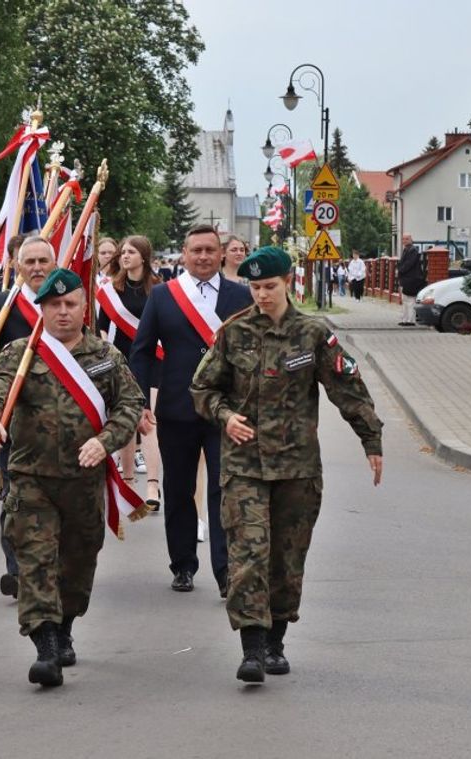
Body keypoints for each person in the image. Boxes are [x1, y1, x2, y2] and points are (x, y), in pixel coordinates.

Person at [190, 245, 384, 683]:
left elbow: (347, 388)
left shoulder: (313, 334)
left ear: (288, 283)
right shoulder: (233, 334)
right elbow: (202, 389)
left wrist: (371, 439)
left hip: (297, 469)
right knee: (248, 554)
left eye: (269, 287)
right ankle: (252, 649)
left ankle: (276, 641)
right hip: (244, 467)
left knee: (285, 559)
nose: (261, 295)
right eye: (254, 287)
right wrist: (226, 416)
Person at [0, 268, 144, 688]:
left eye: (70, 303)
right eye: (54, 305)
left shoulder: (106, 356)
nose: (63, 312)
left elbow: (129, 406)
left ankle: (65, 622)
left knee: (77, 560)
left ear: (84, 306)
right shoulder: (22, 352)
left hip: (84, 482)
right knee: (35, 562)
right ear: (43, 309)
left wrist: (106, 441)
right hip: (31, 477)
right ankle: (46, 646)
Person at [130, 223, 254, 596]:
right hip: (176, 410)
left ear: (220, 254)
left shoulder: (240, 296)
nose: (202, 257)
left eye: (209, 250)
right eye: (195, 250)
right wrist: (138, 402)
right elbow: (141, 351)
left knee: (223, 490)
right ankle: (182, 564)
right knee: (180, 489)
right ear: (184, 254)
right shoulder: (164, 296)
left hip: (226, 414)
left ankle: (225, 570)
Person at [0, 236, 57, 598]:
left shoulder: (66, 298)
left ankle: (51, 564)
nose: (36, 268)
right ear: (17, 266)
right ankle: (17, 570)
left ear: (54, 264)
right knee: (16, 496)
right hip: (15, 414)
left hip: (62, 415)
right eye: (29, 261)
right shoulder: (5, 302)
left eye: (42, 261)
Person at [96, 235, 163, 510]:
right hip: (121, 361)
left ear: (143, 257)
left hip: (153, 362)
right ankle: (128, 481)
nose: (124, 256)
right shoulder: (112, 289)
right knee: (125, 421)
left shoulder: (159, 289)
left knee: (149, 421)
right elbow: (101, 328)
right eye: (122, 252)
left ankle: (153, 486)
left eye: (130, 252)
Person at [397, 235, 425, 326]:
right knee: (405, 299)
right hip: (406, 279)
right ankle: (404, 319)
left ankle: (411, 320)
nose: (404, 241)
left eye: (406, 239)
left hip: (412, 279)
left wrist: (400, 270)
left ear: (411, 240)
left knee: (410, 300)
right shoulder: (406, 250)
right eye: (403, 239)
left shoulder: (413, 250)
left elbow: (409, 264)